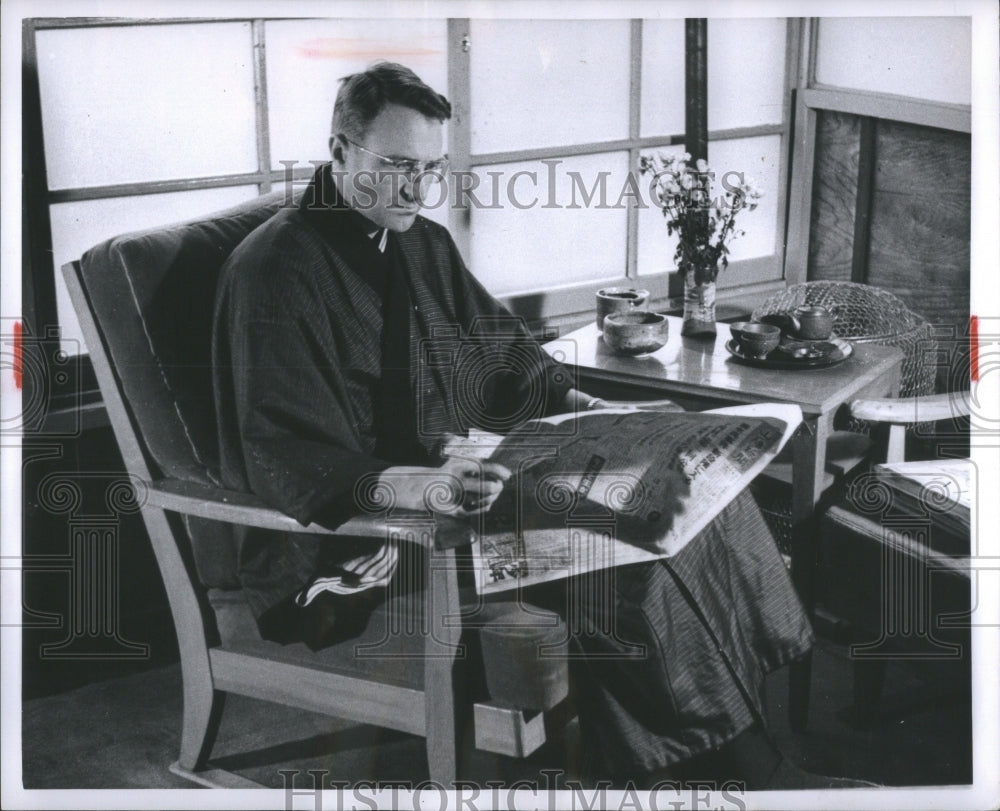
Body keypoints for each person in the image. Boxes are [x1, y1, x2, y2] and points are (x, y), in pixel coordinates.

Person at [212, 61, 868, 790]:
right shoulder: (273, 272)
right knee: (633, 565)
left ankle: (740, 751)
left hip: (475, 485)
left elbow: (510, 362)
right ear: (338, 152)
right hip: (371, 540)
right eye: (397, 165)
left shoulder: (420, 243)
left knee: (696, 503)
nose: (416, 188)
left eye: (430, 168)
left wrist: (607, 418)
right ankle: (743, 777)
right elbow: (281, 452)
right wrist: (427, 486)